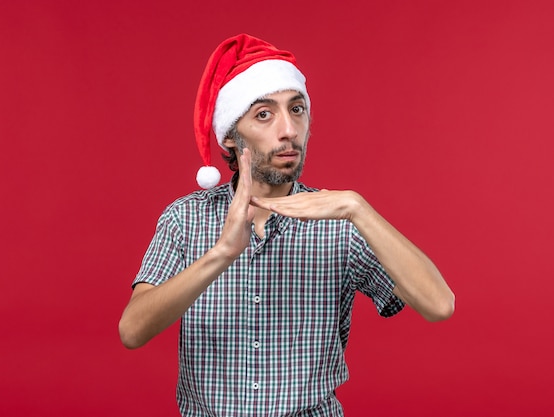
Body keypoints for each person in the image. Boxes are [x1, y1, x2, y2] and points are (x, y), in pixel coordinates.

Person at [119, 33, 455, 417]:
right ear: (230, 135)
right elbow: (132, 331)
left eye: (297, 109)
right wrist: (223, 253)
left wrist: (358, 207)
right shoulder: (185, 218)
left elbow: (439, 305)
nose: (289, 130)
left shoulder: (339, 224)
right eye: (264, 114)